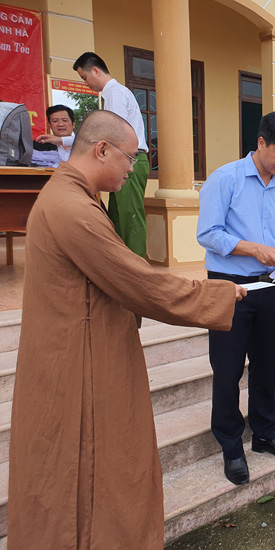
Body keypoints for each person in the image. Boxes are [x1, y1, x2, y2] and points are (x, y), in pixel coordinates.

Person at [7, 111, 244, 550]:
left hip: (80, 349)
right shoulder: (72, 208)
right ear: (101, 149)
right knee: (96, 470)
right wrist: (219, 294)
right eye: (130, 158)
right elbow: (137, 280)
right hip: (80, 365)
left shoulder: (71, 197)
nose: (133, 169)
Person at [197, 111, 275, 486]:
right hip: (229, 286)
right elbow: (208, 234)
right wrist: (250, 249)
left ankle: (265, 434)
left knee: (266, 364)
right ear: (260, 143)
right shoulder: (225, 179)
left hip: (270, 286)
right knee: (227, 370)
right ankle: (231, 446)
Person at [73, 51, 150, 257]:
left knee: (129, 218)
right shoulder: (112, 94)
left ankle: (137, 274)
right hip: (124, 160)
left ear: (96, 70)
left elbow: (113, 135)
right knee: (117, 217)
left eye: (85, 77)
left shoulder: (115, 93)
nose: (86, 83)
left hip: (129, 161)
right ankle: (122, 267)